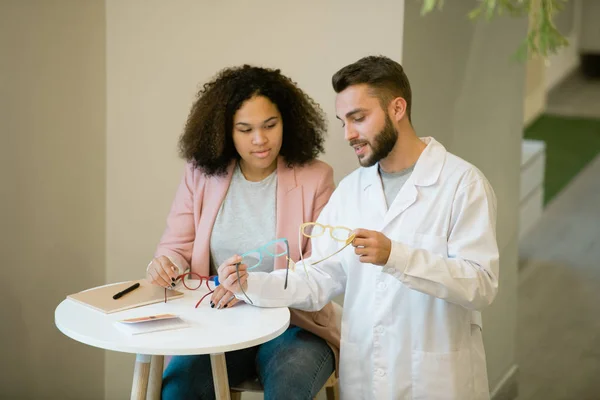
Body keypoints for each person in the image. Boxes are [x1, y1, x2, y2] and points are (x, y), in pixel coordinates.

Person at [218, 56, 500, 400]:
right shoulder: (352, 190)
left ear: (397, 108)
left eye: (359, 118)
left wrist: (396, 256)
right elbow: (318, 277)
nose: (349, 134)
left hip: (434, 379)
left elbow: (481, 285)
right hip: (367, 375)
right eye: (343, 122)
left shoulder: (462, 184)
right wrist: (251, 284)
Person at [146, 65, 342, 400]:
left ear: (287, 123)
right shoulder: (201, 174)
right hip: (219, 323)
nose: (260, 140)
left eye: (270, 125)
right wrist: (166, 264)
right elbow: (176, 247)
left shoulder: (316, 178)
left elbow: (320, 270)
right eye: (245, 129)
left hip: (295, 326)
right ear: (225, 131)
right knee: (178, 391)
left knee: (289, 389)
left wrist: (251, 288)